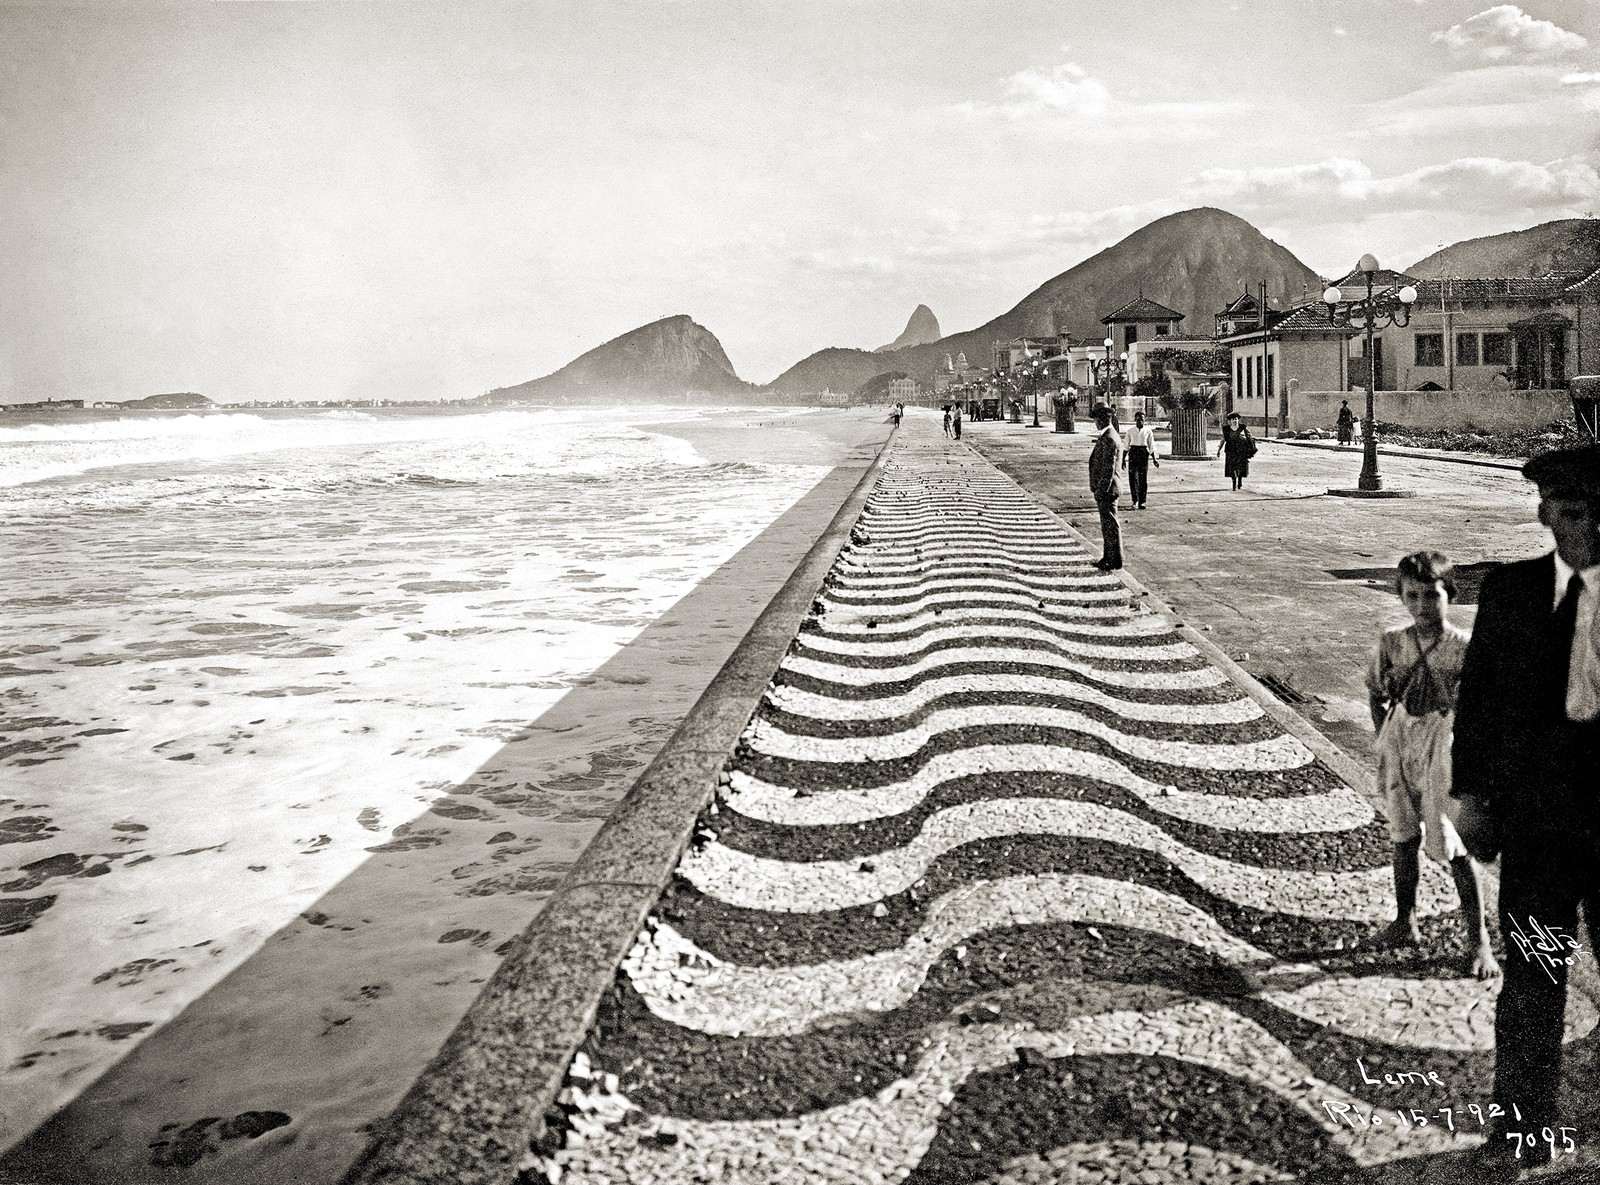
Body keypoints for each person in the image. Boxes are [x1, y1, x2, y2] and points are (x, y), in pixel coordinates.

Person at [1451, 443, 1600, 1180]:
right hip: (1542, 840)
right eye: (1572, 513)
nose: (1589, 530)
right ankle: (1523, 1125)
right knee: (1537, 980)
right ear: (1546, 515)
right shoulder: (1511, 595)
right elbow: (1475, 708)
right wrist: (1470, 798)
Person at [1364, 550, 1497, 979]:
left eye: (1432, 595)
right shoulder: (1391, 643)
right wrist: (1385, 734)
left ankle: (1479, 942)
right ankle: (1406, 921)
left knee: (1453, 844)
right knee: (1402, 837)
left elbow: (1482, 709)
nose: (1423, 605)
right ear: (1402, 597)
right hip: (1401, 739)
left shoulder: (1464, 649)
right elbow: (1376, 692)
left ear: (1449, 595)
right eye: (1413, 596)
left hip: (1445, 746)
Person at [1088, 405, 1123, 571]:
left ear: (1102, 419)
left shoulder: (1109, 438)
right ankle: (1109, 557)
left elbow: (1108, 469)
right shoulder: (1110, 435)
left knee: (1110, 525)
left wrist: (1101, 490)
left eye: (1096, 419)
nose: (1095, 423)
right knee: (1108, 525)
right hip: (1108, 489)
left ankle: (1114, 560)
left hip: (1108, 490)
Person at [1122, 410, 1159, 509]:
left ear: (1144, 420)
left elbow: (1151, 446)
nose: (1140, 422)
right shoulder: (1130, 431)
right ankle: (1135, 501)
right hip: (1133, 452)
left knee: (1143, 478)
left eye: (1142, 419)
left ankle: (1142, 501)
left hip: (1143, 453)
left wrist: (1154, 459)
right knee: (1133, 478)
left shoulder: (1148, 431)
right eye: (1138, 420)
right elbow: (1126, 447)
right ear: (1135, 420)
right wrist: (1122, 460)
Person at [1217, 411, 1255, 491]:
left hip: (1241, 450)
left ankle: (1240, 481)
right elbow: (1223, 439)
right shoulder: (1226, 429)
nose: (1235, 421)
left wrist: (1250, 446)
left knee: (1241, 467)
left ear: (1238, 420)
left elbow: (1249, 437)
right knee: (1232, 467)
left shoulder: (1243, 428)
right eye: (1233, 419)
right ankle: (1234, 483)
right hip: (1230, 450)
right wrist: (1219, 450)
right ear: (1230, 421)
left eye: (1236, 419)